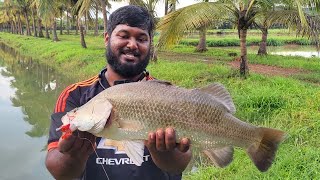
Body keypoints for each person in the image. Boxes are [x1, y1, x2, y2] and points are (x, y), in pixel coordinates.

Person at [45, 5, 192, 180]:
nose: (132, 45)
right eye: (123, 36)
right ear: (107, 38)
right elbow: (58, 171)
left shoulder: (168, 95)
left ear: (150, 45)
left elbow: (179, 165)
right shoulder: (74, 95)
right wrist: (73, 157)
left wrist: (165, 154)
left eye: (142, 39)